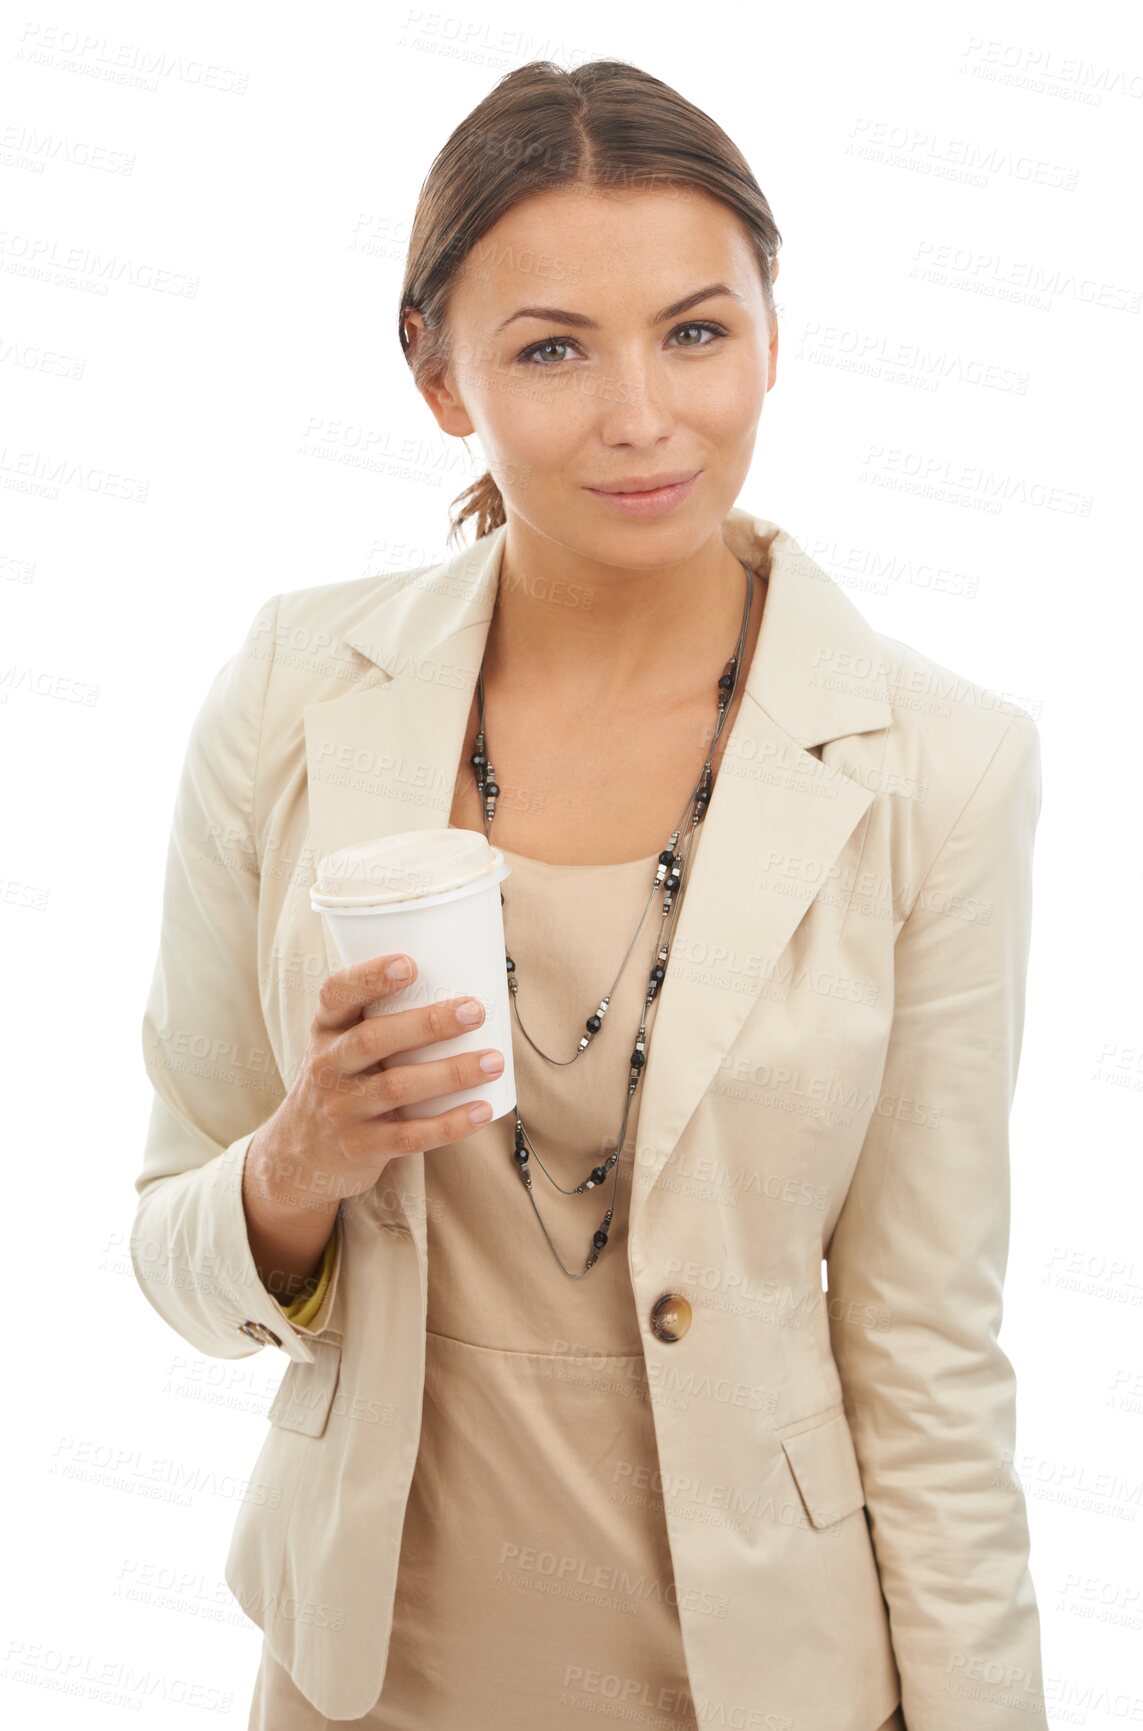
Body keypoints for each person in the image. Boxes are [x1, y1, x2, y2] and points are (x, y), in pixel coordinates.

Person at [131, 57, 1049, 1731]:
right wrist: (297, 1164)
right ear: (436, 376)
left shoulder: (942, 767)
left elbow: (927, 1359)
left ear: (773, 327)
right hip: (372, 1675)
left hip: (761, 1681)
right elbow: (168, 1248)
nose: (642, 414)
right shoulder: (290, 694)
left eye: (696, 331)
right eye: (553, 348)